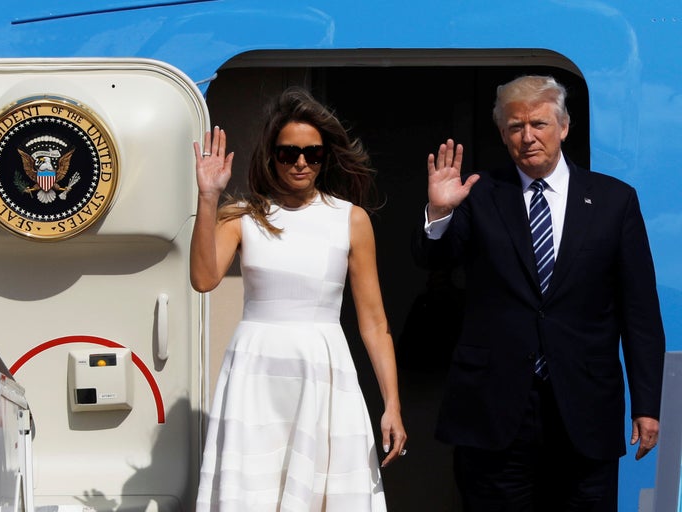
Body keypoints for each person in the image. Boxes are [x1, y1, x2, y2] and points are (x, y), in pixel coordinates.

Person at [412, 75, 665, 511]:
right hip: (495, 410)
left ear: (563, 126)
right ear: (503, 134)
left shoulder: (613, 201)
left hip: (585, 409)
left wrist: (647, 405)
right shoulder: (480, 195)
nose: (527, 137)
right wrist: (439, 212)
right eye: (515, 127)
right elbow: (434, 260)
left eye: (538, 124)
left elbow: (639, 312)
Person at [191, 86, 407, 511]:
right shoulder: (244, 215)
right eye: (289, 153)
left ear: (326, 157)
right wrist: (208, 197)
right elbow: (202, 278)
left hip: (323, 370)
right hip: (255, 373)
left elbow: (374, 324)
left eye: (313, 153)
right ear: (272, 155)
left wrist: (392, 404)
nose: (301, 162)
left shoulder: (351, 219)